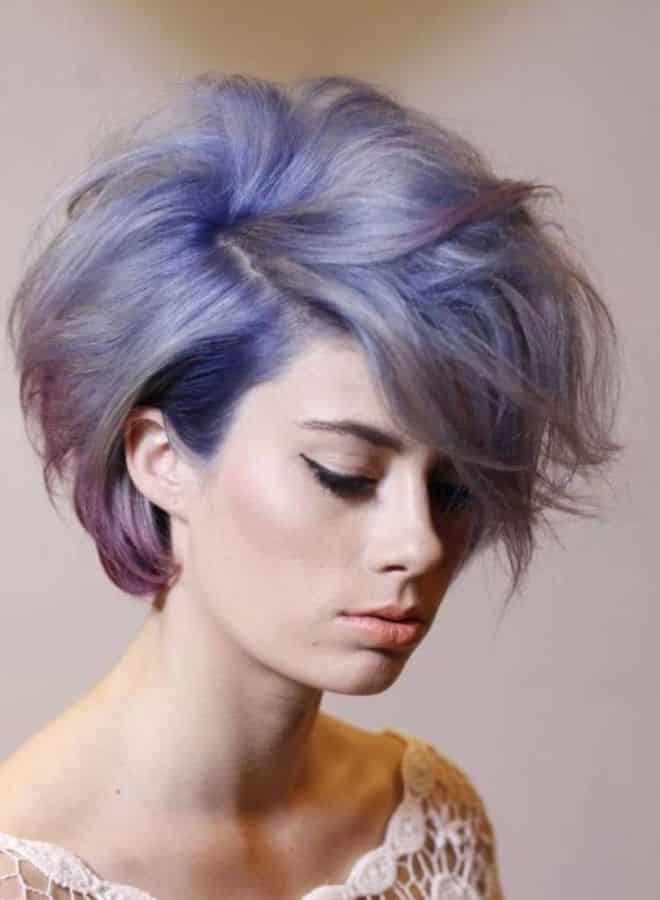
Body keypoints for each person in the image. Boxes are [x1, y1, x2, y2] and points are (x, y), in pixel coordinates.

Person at [0, 73, 621, 900]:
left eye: (455, 488)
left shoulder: (427, 827)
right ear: (162, 458)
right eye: (346, 475)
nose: (420, 544)